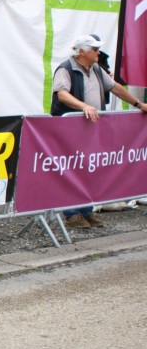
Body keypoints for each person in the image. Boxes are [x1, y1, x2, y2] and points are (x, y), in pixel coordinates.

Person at [51, 34, 147, 228]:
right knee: (74, 169)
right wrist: (84, 106)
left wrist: (138, 104)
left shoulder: (95, 68)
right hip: (72, 129)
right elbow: (62, 95)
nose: (98, 53)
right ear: (82, 51)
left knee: (89, 169)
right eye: (94, 49)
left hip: (90, 128)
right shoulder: (65, 68)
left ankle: (86, 211)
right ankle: (72, 213)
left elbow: (115, 88)